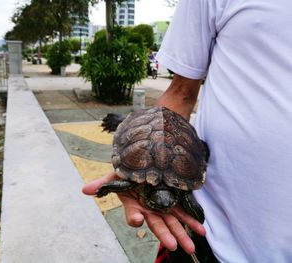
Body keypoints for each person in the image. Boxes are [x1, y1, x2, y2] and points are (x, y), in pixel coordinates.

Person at [83, 0, 292, 261]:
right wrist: (117, 180)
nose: (164, 202)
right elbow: (180, 94)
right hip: (218, 243)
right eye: (164, 201)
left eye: (165, 200)